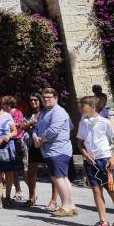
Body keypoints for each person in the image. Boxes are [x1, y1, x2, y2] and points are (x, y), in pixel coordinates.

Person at [33, 87, 77, 217]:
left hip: (58, 150)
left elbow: (54, 129)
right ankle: (71, 205)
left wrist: (41, 140)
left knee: (58, 178)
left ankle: (65, 207)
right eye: (44, 97)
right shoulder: (43, 113)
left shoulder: (59, 112)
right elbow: (36, 128)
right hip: (50, 150)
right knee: (63, 178)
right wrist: (35, 136)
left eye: (49, 97)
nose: (46, 99)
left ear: (56, 98)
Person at [77, 95, 114, 226]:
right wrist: (85, 154)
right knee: (96, 190)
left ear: (93, 107)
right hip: (90, 161)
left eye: (84, 105)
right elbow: (80, 142)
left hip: (104, 159)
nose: (81, 108)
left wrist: (112, 157)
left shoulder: (105, 122)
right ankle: (103, 221)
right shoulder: (83, 122)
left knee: (111, 189)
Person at [20, 93, 52, 208]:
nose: (33, 102)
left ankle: (53, 201)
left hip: (46, 145)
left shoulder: (47, 112)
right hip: (33, 146)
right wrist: (31, 122)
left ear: (40, 100)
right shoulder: (29, 114)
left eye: (35, 100)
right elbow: (21, 126)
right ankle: (32, 197)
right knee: (31, 173)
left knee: (53, 173)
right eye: (31, 100)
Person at [1, 95, 26, 202]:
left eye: (3, 103)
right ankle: (18, 190)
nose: (1, 106)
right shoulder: (4, 114)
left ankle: (32, 193)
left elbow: (17, 125)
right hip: (8, 141)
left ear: (9, 104)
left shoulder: (17, 112)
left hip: (17, 142)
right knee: (13, 169)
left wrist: (5, 125)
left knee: (22, 169)